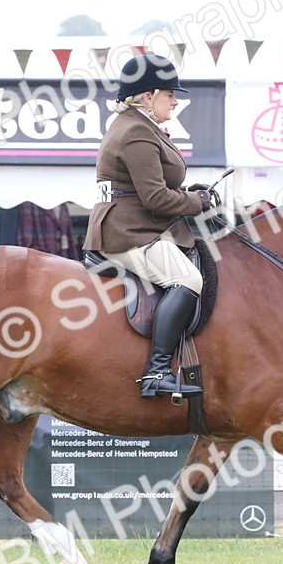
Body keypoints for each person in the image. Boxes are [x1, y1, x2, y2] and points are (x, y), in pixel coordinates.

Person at [83, 52, 214, 399]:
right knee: (188, 278)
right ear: (147, 97)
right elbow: (155, 199)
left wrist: (188, 193)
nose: (174, 101)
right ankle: (156, 372)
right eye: (169, 94)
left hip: (140, 224)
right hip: (128, 232)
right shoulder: (136, 133)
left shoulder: (140, 127)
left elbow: (150, 188)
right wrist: (195, 203)